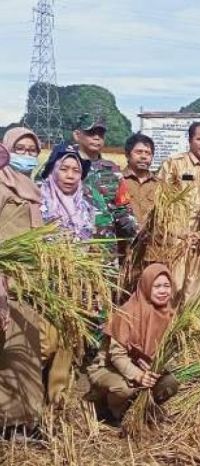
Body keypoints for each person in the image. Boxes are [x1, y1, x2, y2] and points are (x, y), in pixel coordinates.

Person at [0, 143, 70, 434]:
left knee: (25, 352)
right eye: (20, 148)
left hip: (27, 282)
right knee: (7, 352)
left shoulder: (30, 190)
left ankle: (23, 420)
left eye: (32, 150)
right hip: (4, 278)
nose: (27, 154)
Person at [88, 263, 179, 423]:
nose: (163, 291)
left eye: (167, 285)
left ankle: (141, 409)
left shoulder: (170, 315)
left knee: (171, 382)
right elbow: (116, 356)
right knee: (124, 389)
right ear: (146, 286)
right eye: (157, 286)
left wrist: (159, 368)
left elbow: (169, 350)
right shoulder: (128, 313)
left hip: (145, 371)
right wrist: (139, 375)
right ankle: (109, 412)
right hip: (109, 368)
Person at [157, 121, 200, 307]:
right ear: (190, 140)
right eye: (199, 139)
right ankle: (167, 326)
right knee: (175, 284)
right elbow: (161, 203)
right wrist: (178, 232)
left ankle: (185, 327)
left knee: (195, 287)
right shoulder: (174, 164)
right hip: (179, 237)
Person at [72, 114, 137, 259]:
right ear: (77, 135)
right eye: (90, 133)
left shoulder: (112, 170)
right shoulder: (63, 166)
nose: (96, 138)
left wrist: (135, 232)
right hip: (72, 248)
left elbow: (122, 208)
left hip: (105, 249)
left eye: (100, 134)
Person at [39, 144, 94, 241]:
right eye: (63, 169)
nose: (70, 176)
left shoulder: (86, 207)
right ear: (52, 171)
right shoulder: (36, 202)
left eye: (76, 171)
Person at [122, 133, 158, 230]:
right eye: (139, 152)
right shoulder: (117, 182)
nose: (144, 156)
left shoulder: (160, 185)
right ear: (127, 155)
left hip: (152, 242)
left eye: (148, 153)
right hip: (125, 243)